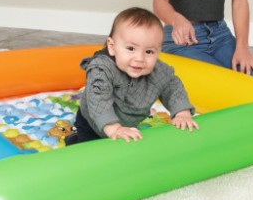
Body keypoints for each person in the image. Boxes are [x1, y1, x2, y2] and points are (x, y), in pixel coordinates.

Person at [65, 7, 199, 145]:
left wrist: (182, 113)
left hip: (126, 122)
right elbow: (98, 100)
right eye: (131, 49)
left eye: (149, 52)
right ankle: (73, 140)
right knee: (90, 149)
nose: (140, 58)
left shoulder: (158, 71)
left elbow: (172, 87)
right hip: (92, 122)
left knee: (123, 146)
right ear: (112, 46)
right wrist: (114, 129)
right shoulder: (102, 69)